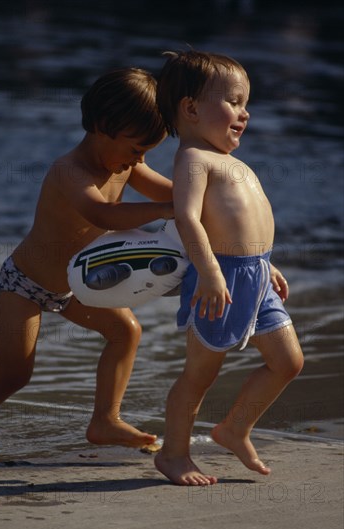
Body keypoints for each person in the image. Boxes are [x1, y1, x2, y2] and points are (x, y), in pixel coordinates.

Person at [0, 67, 174, 464]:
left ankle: (105, 420)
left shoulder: (127, 164)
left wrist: (213, 194)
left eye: (146, 152)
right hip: (24, 284)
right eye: (136, 148)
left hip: (76, 288)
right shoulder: (69, 170)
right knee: (13, 374)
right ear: (104, 126)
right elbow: (102, 213)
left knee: (126, 332)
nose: (139, 159)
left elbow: (173, 193)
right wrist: (166, 209)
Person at [154, 50, 304, 485]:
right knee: (200, 374)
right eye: (235, 102)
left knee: (288, 361)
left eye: (245, 103)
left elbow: (238, 222)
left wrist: (267, 263)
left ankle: (235, 428)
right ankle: (174, 454)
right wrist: (212, 273)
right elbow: (188, 219)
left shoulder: (230, 160)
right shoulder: (194, 159)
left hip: (257, 277)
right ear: (191, 109)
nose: (245, 112)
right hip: (219, 278)